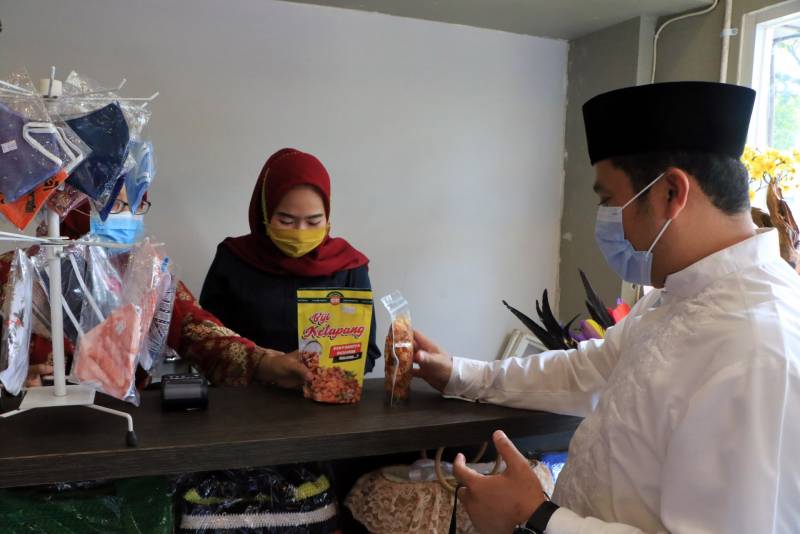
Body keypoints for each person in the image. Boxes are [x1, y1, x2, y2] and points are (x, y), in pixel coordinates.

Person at [412, 82, 800, 533]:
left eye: (609, 201)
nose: (607, 223)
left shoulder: (760, 348)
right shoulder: (676, 297)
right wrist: (459, 374)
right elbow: (587, 370)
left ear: (671, 193)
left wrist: (534, 517)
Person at [6, 187, 311, 390]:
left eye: (136, 204)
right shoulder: (13, 273)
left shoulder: (143, 272)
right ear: (69, 205)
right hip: (30, 436)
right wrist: (11, 381)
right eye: (114, 204)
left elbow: (198, 330)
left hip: (124, 428)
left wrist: (265, 362)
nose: (128, 215)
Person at [200, 147, 380, 374]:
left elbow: (367, 352)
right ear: (265, 213)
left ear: (327, 217)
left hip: (326, 392)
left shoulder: (348, 265)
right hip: (247, 392)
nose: (300, 232)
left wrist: (324, 373)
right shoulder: (235, 259)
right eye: (286, 221)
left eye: (313, 222)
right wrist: (265, 366)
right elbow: (206, 343)